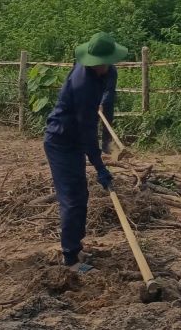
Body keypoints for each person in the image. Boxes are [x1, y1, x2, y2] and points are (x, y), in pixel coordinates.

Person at [44, 32, 125, 272]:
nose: (107, 67)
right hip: (61, 142)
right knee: (72, 199)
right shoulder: (84, 85)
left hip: (74, 140)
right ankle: (70, 259)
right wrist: (99, 166)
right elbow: (87, 130)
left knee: (81, 196)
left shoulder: (103, 72)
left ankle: (76, 247)